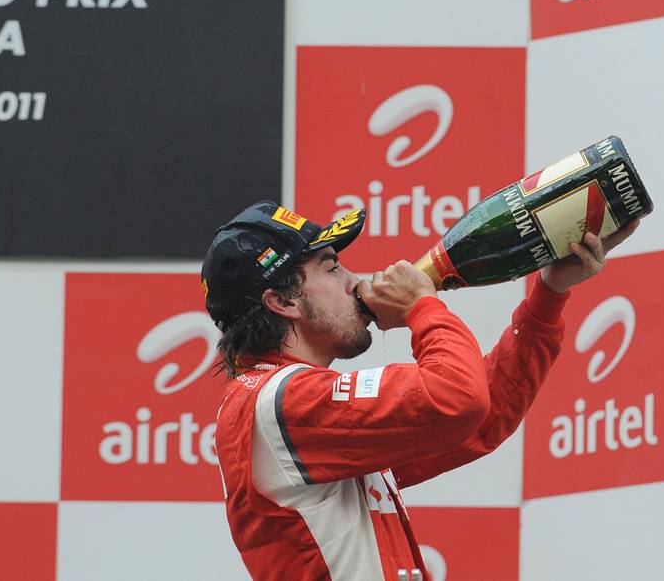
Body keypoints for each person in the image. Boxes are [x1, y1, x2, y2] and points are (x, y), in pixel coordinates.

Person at [201, 200, 638, 581]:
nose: (354, 281)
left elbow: (481, 420)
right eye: (332, 267)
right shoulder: (280, 401)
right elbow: (456, 397)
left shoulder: (290, 407)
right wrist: (420, 306)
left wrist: (550, 291)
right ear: (283, 302)